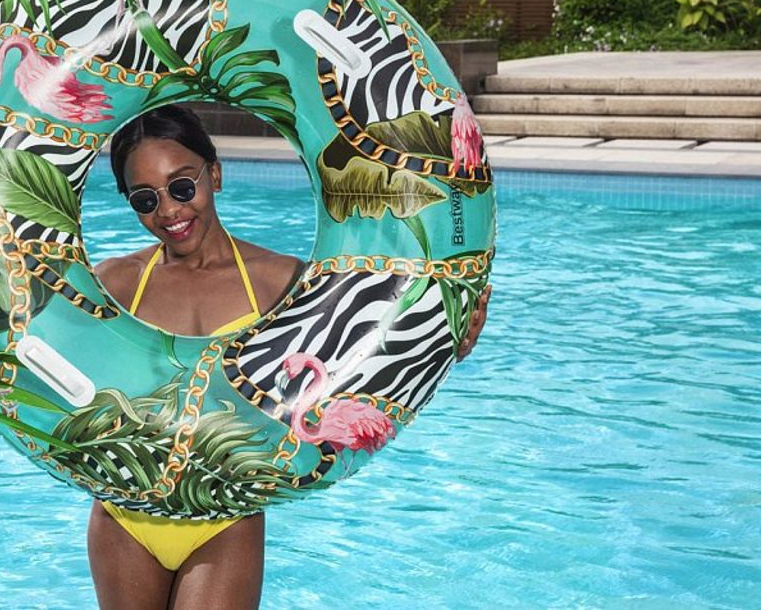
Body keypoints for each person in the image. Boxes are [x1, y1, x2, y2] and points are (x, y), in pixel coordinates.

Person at [88, 104, 490, 610]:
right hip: (125, 514)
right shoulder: (115, 284)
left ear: (215, 174)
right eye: (145, 199)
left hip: (225, 518)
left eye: (182, 187)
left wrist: (445, 341)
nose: (169, 211)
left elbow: (367, 363)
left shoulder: (281, 282)